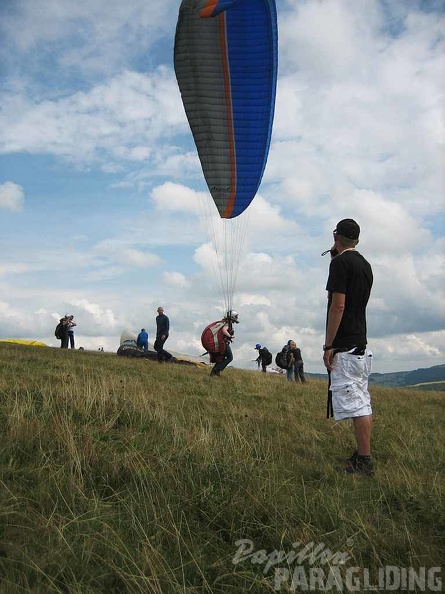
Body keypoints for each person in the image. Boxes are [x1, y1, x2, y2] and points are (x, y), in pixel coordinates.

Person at [323, 218, 374, 476]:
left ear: (336, 237)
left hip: (345, 344)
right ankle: (361, 454)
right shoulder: (364, 265)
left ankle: (365, 460)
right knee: (360, 399)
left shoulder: (341, 264)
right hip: (360, 341)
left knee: (357, 405)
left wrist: (329, 344)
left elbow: (339, 305)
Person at [207, 311, 239, 377]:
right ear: (232, 316)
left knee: (221, 358)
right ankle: (216, 370)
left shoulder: (225, 322)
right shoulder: (227, 324)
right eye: (236, 316)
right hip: (223, 343)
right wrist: (230, 336)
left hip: (223, 343)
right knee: (230, 357)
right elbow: (224, 330)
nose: (236, 318)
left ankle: (215, 373)